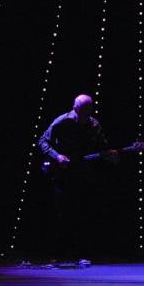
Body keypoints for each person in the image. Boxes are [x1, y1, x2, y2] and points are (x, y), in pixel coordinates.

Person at [38, 94, 116, 265]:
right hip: (63, 173)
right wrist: (57, 156)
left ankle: (82, 254)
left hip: (84, 174)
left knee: (84, 214)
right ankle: (55, 254)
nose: (85, 114)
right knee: (61, 213)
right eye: (82, 110)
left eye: (88, 110)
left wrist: (109, 155)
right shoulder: (62, 122)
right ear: (75, 108)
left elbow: (102, 147)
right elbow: (43, 141)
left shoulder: (94, 125)